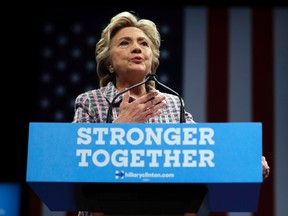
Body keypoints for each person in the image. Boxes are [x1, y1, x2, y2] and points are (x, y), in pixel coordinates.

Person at [72, 11, 270, 216]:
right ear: (109, 63)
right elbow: (73, 161)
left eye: (144, 43)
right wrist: (120, 128)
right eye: (124, 43)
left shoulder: (173, 104)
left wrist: (246, 161)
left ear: (152, 60)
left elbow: (205, 148)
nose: (137, 48)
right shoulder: (90, 102)